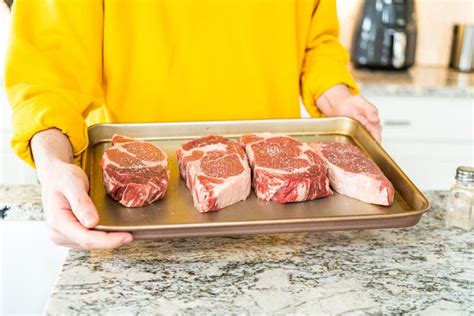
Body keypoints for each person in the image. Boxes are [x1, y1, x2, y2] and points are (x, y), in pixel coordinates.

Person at [5, 0, 381, 249]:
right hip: (135, 226)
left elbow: (316, 44)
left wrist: (338, 99)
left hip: (273, 216)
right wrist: (53, 166)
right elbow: (49, 76)